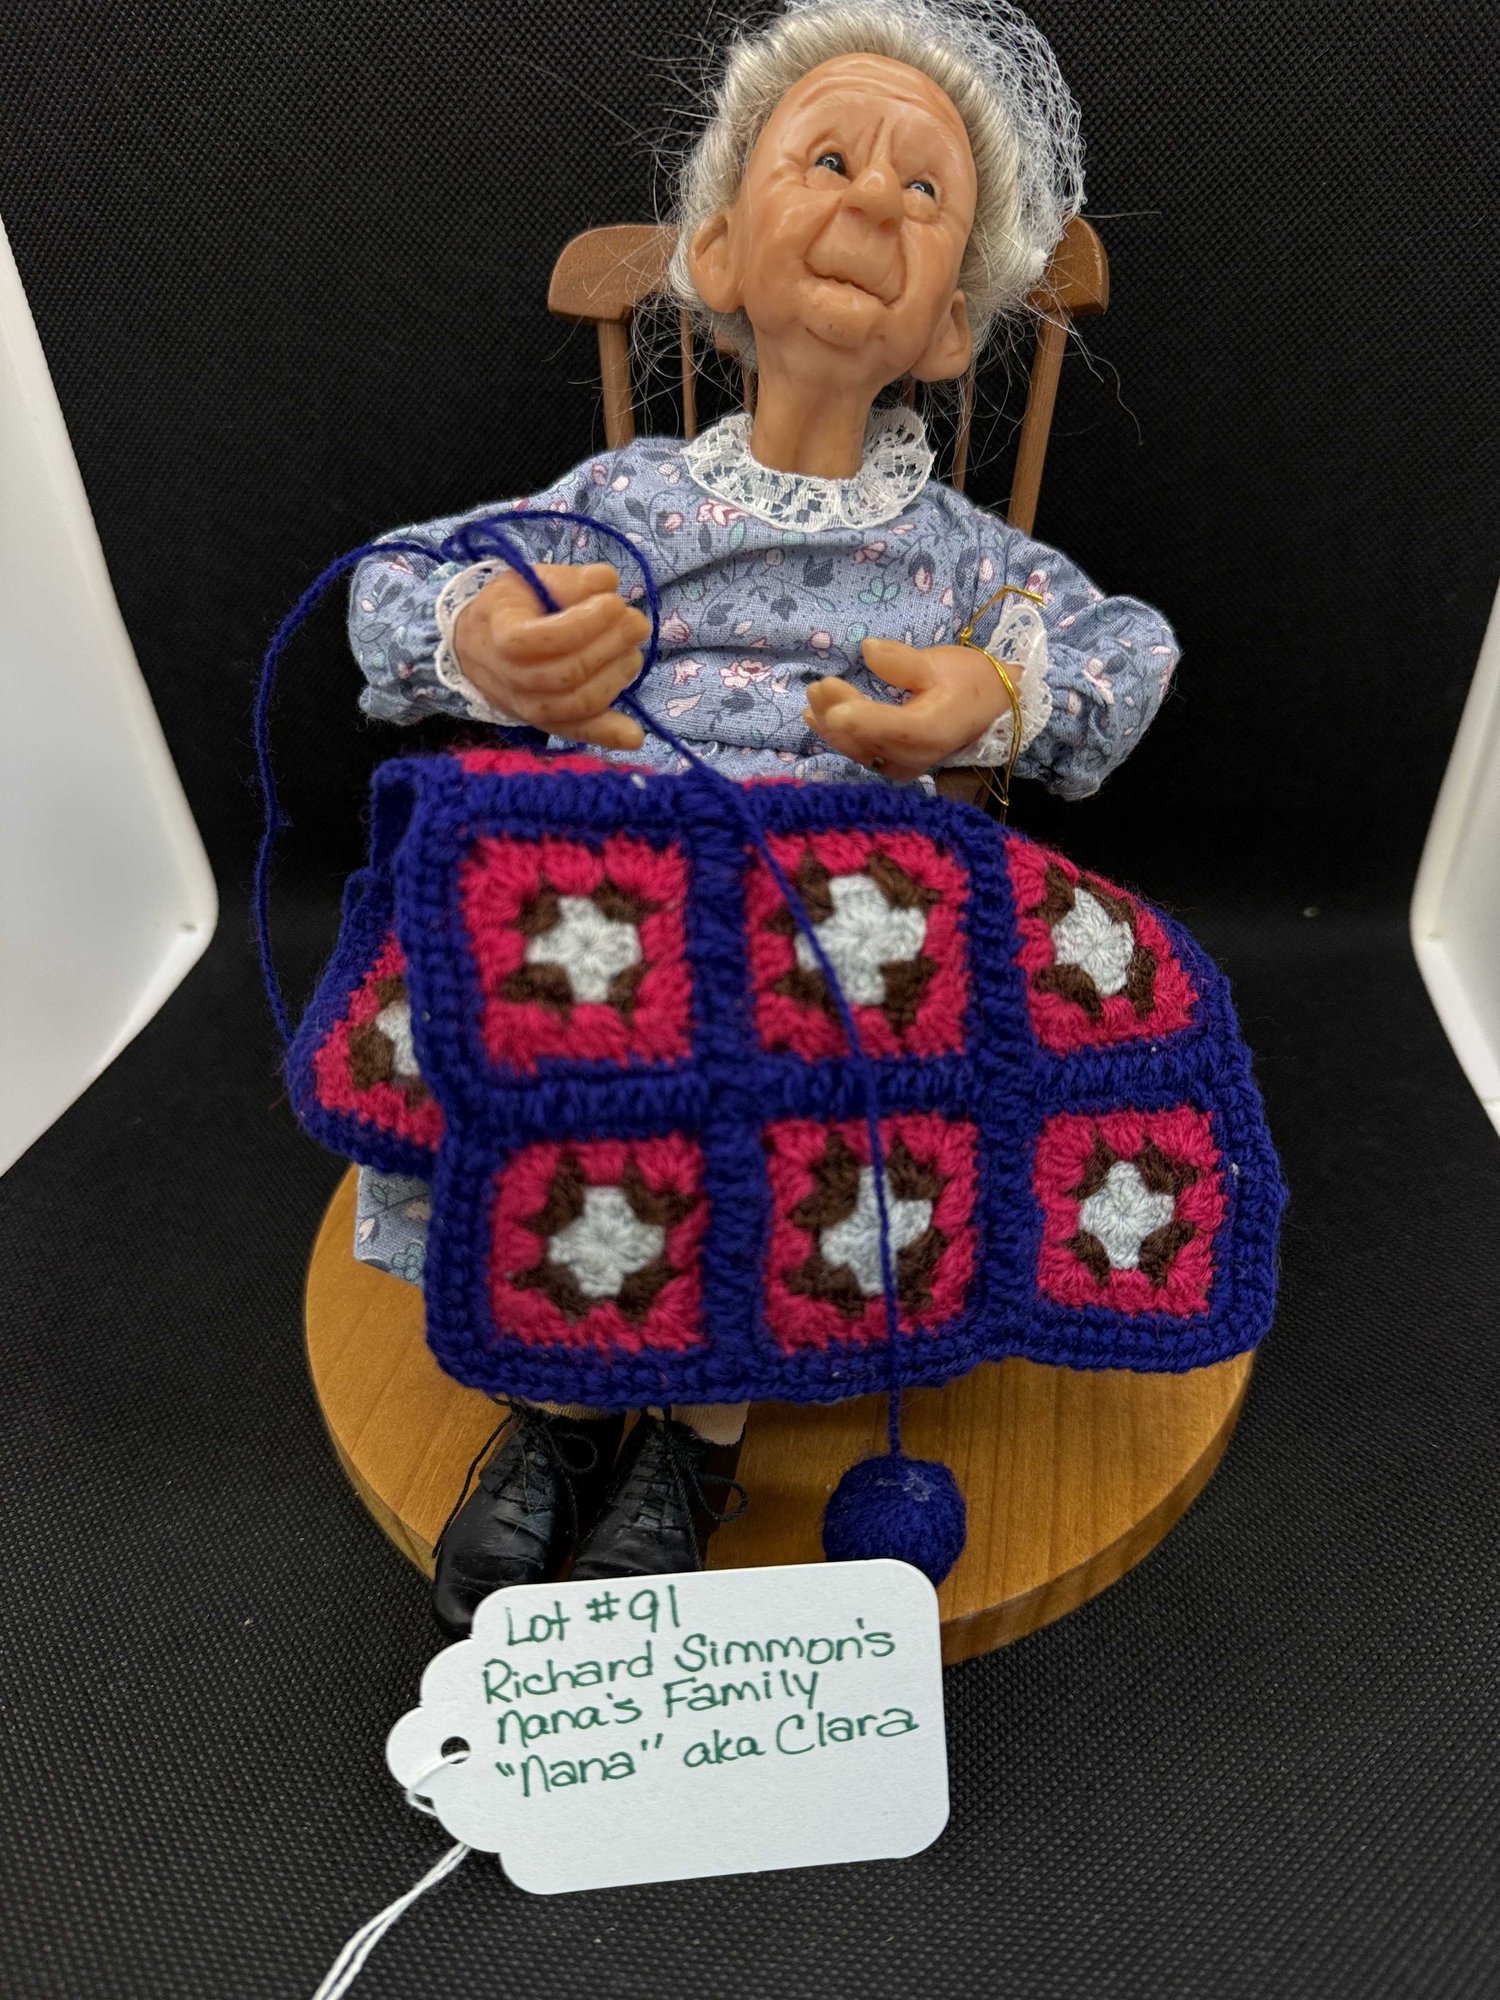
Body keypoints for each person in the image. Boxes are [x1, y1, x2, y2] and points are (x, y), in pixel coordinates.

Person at [344, 0, 1179, 1635]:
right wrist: (487, 642)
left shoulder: (956, 555)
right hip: (612, 916)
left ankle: (697, 1436)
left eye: (925, 193)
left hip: (831, 935)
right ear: (716, 251)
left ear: (951, 329)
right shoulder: (625, 503)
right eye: (830, 158)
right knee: (552, 1016)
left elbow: (1127, 647)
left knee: (798, 1066)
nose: (874, 200)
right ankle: (566, 1404)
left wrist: (992, 698)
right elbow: (392, 579)